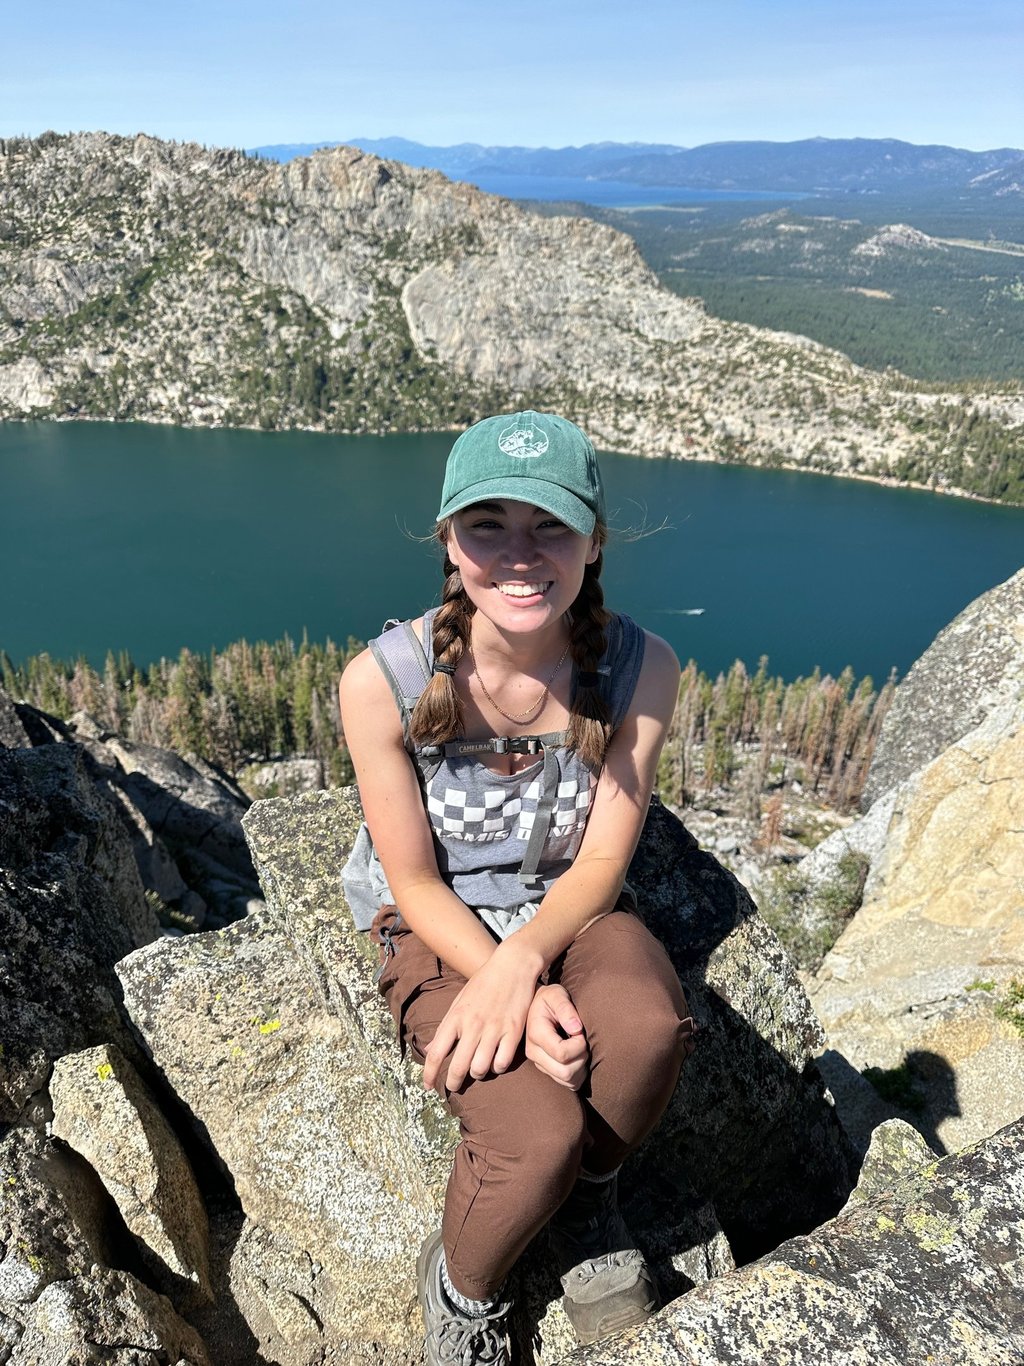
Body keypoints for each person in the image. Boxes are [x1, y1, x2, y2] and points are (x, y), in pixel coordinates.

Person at [339, 411, 694, 1364]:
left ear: (593, 541)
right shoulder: (386, 682)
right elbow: (410, 876)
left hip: (571, 906)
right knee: (529, 1135)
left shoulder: (638, 668)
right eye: (488, 524)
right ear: (449, 542)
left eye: (551, 525)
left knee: (647, 1029)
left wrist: (527, 966)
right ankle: (462, 1289)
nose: (520, 554)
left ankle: (589, 1200)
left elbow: (604, 861)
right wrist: (498, 978)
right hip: (438, 920)